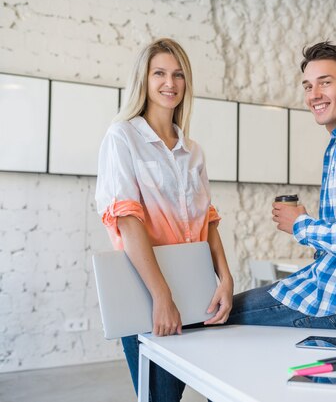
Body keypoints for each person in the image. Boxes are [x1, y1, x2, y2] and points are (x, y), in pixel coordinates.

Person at [227, 41, 336, 329]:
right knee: (219, 310)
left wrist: (301, 225)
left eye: (325, 83)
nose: (315, 95)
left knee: (215, 315)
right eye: (308, 86)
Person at [95, 38, 233, 402]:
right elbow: (127, 221)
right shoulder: (122, 137)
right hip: (148, 291)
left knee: (208, 388)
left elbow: (209, 222)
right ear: (144, 78)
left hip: (195, 291)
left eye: (178, 75)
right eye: (160, 73)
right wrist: (161, 296)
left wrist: (226, 277)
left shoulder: (193, 151)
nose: (169, 83)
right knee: (160, 398)